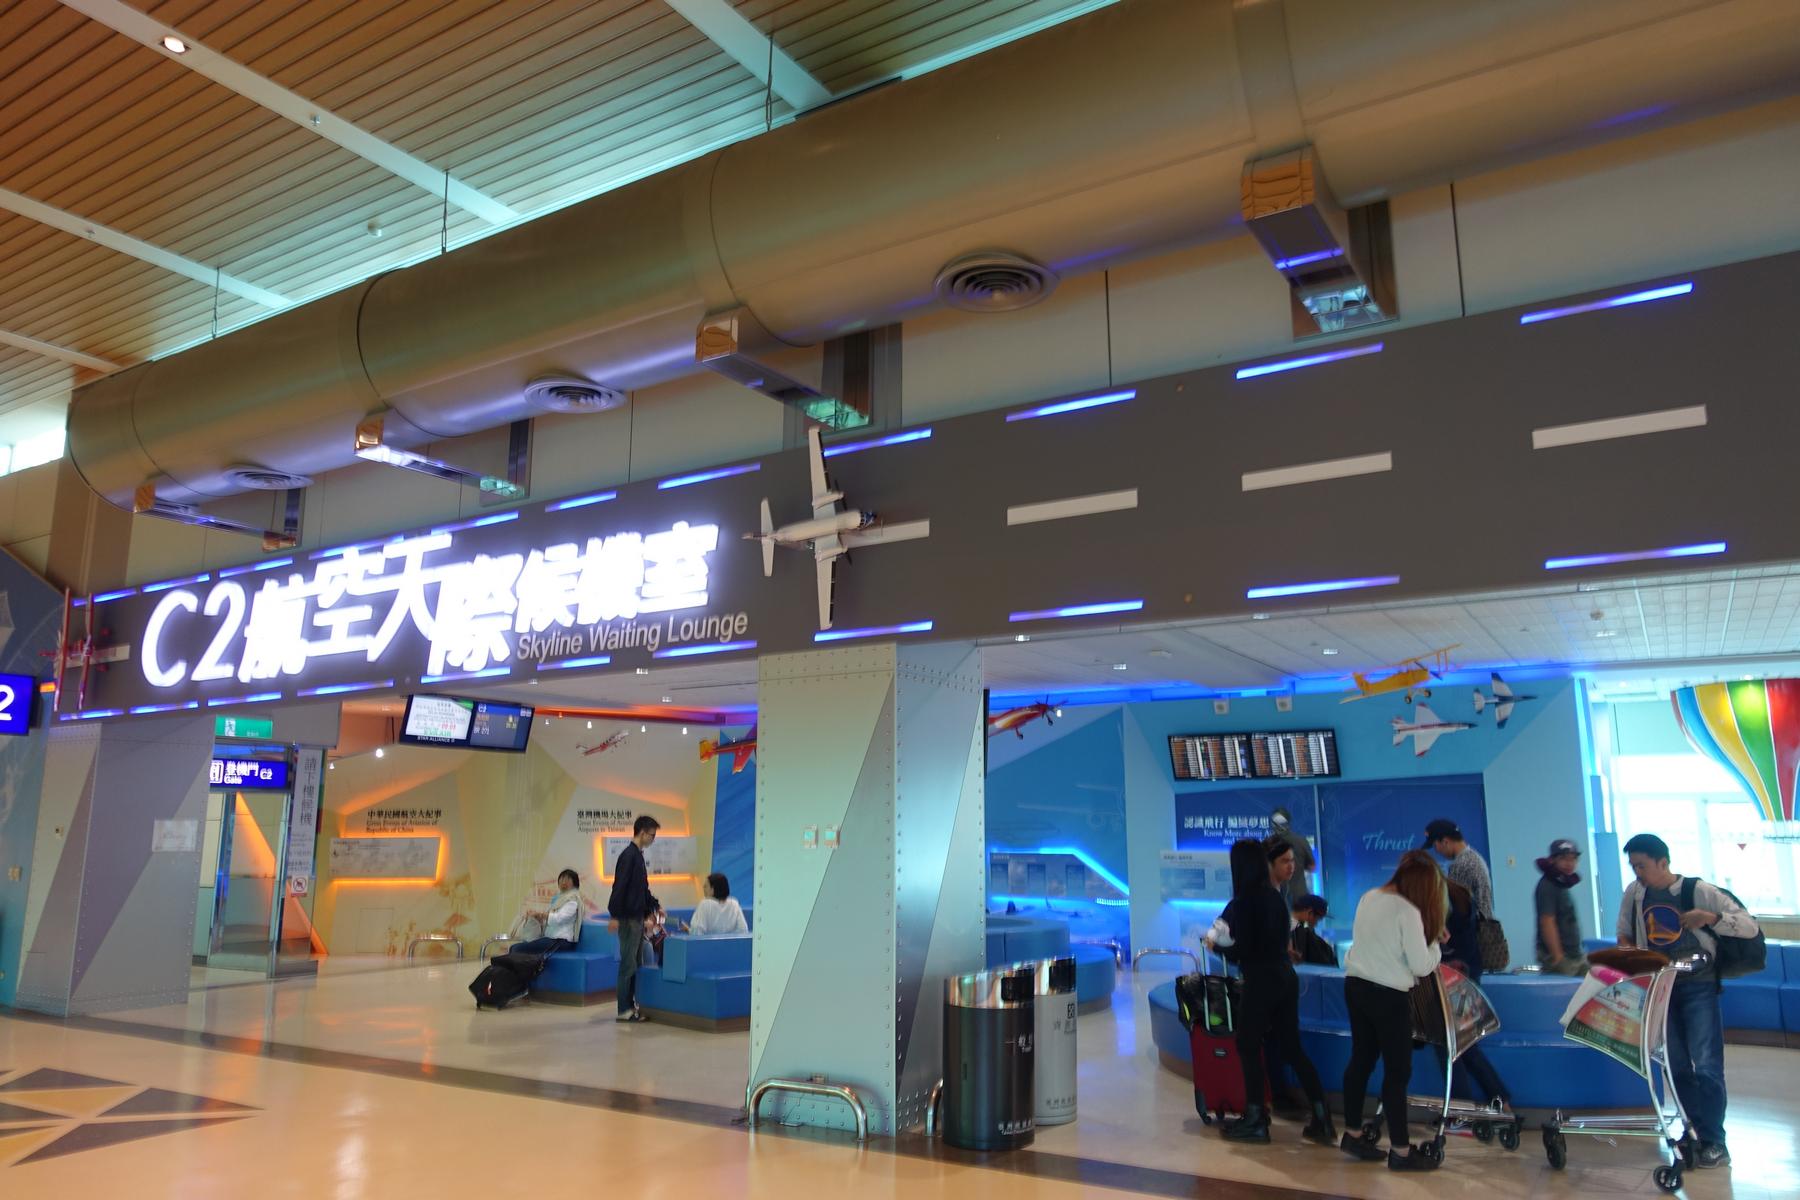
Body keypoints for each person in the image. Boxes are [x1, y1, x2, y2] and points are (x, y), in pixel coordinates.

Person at [1616, 833, 1759, 1170]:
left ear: (1663, 862)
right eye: (1633, 866)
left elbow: (1750, 927)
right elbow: (1624, 932)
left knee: (1707, 1064)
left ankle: (1715, 1141)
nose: (1638, 872)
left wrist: (1709, 918)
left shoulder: (1699, 891)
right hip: (1660, 989)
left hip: (1699, 986)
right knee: (1675, 1064)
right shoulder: (1634, 894)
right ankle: (1693, 1130)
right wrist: (1630, 953)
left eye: (1643, 865)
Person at [1217, 839, 1336, 1147]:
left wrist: (1216, 947)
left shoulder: (1245, 901)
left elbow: (1242, 951)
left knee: (1247, 1043)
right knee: (1292, 1049)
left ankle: (1256, 1118)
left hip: (1261, 980)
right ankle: (1322, 1117)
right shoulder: (1274, 899)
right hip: (1285, 978)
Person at [1339, 849, 1444, 1171]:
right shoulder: (1408, 911)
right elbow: (1421, 965)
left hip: (1356, 987)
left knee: (1361, 1060)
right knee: (1397, 1073)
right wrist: (1435, 942)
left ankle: (1353, 1134)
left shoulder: (1370, 896)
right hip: (1389, 996)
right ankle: (1401, 1151)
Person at [1438, 879, 1513, 1112]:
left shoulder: (1441, 907)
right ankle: (1501, 1101)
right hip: (1467, 979)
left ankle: (1462, 1112)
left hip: (1449, 982)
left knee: (1448, 1045)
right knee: (1465, 1045)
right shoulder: (1461, 899)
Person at [607, 815, 662, 1023]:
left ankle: (632, 1006)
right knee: (628, 965)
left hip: (637, 918)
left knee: (635, 963)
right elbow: (619, 888)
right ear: (642, 832)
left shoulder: (637, 855)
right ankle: (624, 1009)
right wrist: (615, 916)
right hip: (628, 919)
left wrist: (655, 907)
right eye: (652, 835)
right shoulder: (628, 856)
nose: (653, 839)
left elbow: (642, 889)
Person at [1535, 838, 1588, 975]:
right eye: (1564, 859)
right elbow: (1547, 922)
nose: (1569, 863)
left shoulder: (1562, 883)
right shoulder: (1548, 886)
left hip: (1575, 955)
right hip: (1561, 957)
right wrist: (1558, 958)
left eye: (1573, 859)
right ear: (1552, 860)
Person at [1425, 819, 1494, 921]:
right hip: (1483, 927)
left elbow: (1456, 907)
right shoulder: (1474, 857)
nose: (1437, 851)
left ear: (1445, 842)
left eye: (1435, 846)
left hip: (1473, 931)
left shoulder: (1461, 865)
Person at [513, 869, 584, 954]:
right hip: (551, 939)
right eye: (561, 880)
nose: (563, 882)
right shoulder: (559, 899)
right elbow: (549, 918)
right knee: (515, 948)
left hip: (561, 941)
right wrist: (537, 916)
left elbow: (559, 918)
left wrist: (541, 914)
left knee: (516, 949)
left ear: (574, 884)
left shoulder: (573, 901)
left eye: (567, 880)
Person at [1267, 807, 1315, 905]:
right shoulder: (1301, 841)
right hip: (1299, 896)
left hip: (1275, 898)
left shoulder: (1267, 844)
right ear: (1288, 822)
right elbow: (1312, 867)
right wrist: (1301, 865)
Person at [1289, 895, 1337, 966]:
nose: (1316, 924)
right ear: (1310, 913)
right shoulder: (1301, 933)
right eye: (1318, 919)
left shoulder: (1281, 924)